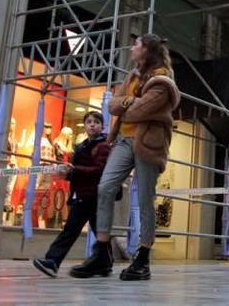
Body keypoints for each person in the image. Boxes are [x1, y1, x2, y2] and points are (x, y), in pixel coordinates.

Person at [70, 33, 180, 281]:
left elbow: (134, 113)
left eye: (136, 44)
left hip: (148, 143)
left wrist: (127, 104)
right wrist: (130, 101)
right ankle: (101, 254)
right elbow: (112, 105)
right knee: (105, 187)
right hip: (122, 141)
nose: (132, 48)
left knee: (144, 199)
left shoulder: (162, 80)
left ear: (147, 50)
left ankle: (143, 258)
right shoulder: (132, 76)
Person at [32, 111, 111, 277]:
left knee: (71, 230)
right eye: (89, 121)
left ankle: (52, 261)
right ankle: (105, 263)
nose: (92, 124)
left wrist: (73, 171)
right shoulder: (82, 145)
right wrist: (67, 174)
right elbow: (80, 172)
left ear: (102, 126)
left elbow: (99, 170)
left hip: (90, 195)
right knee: (99, 229)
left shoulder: (103, 146)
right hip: (83, 194)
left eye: (96, 122)